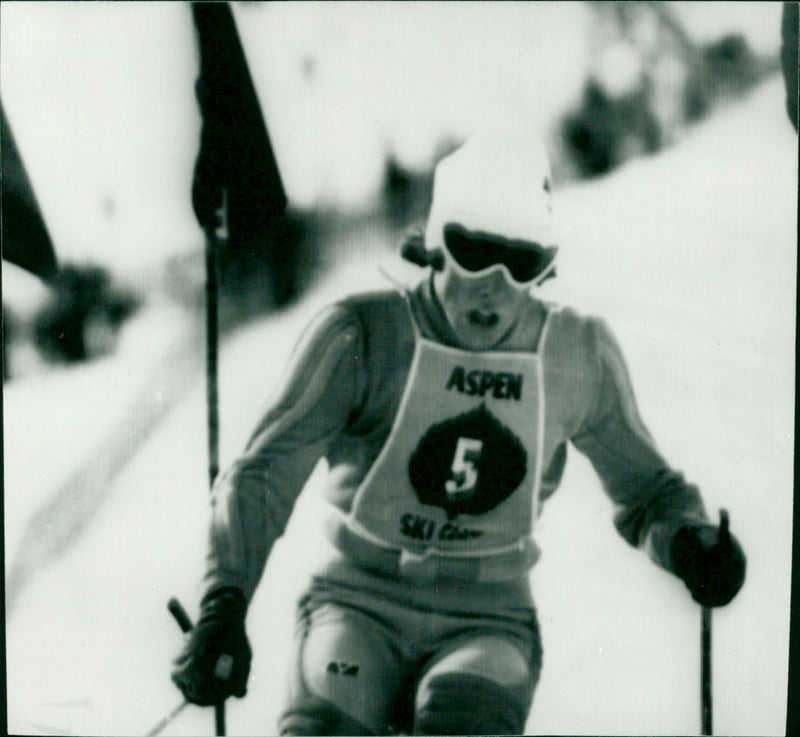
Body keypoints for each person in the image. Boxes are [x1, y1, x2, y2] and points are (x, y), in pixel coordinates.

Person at [171, 129, 746, 736]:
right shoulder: (363, 335)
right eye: (474, 250)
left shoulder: (575, 354)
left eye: (522, 260)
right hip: (359, 601)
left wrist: (689, 544)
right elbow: (263, 476)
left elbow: (649, 491)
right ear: (438, 242)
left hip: (487, 618)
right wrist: (223, 604)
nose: (494, 284)